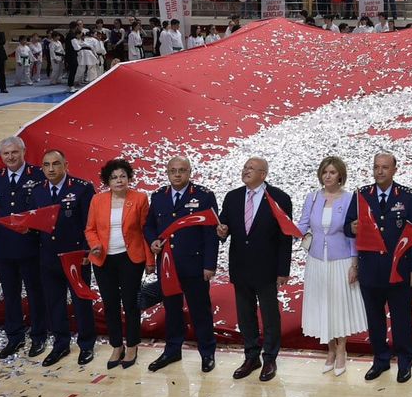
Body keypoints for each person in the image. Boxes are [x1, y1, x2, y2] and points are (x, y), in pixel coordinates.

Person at [344, 150, 412, 383]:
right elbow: (348, 227)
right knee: (374, 319)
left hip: (399, 269)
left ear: (394, 169)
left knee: (401, 319)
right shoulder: (362, 194)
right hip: (370, 269)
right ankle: (381, 360)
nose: (379, 171)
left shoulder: (407, 196)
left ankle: (405, 361)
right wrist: (353, 228)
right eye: (376, 167)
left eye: (384, 167)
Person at [217, 157, 293, 382]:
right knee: (245, 314)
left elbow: (285, 237)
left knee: (270, 315)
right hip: (241, 265)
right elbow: (224, 225)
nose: (246, 171)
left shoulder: (279, 198)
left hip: (267, 267)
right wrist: (221, 231)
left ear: (264, 174)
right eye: (245, 167)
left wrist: (283, 270)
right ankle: (251, 356)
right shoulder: (233, 197)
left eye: (251, 168)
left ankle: (270, 358)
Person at [145, 156, 221, 373]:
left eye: (182, 170)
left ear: (190, 172)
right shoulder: (159, 197)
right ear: (167, 172)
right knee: (171, 310)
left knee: (200, 311)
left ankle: (207, 353)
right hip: (168, 265)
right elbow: (149, 226)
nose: (177, 175)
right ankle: (172, 350)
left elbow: (210, 233)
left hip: (195, 265)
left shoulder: (204, 196)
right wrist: (153, 241)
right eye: (173, 171)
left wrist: (209, 265)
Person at [299, 156, 364, 377]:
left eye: (332, 172)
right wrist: (284, 231)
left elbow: (353, 233)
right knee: (323, 304)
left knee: (339, 305)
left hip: (341, 259)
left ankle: (342, 350)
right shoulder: (313, 198)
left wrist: (355, 263)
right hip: (317, 260)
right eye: (325, 172)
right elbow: (302, 224)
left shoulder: (349, 199)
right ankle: (330, 350)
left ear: (340, 176)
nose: (328, 176)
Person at [31, 150, 96, 367]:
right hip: (48, 257)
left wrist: (88, 252)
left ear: (65, 165)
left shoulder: (82, 188)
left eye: (56, 164)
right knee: (54, 303)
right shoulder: (37, 191)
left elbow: (90, 223)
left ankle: (86, 344)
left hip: (76, 257)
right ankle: (61, 344)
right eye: (46, 165)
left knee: (81, 303)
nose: (51, 169)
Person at [0, 135, 48, 359]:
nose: (10, 157)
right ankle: (15, 337)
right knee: (10, 295)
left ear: (23, 152)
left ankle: (39, 336)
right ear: (1, 156)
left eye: (14, 152)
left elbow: (44, 210)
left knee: (35, 293)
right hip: (4, 247)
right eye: (6, 154)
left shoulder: (39, 175)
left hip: (31, 245)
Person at [85, 158, 151, 370]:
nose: (119, 180)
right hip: (104, 259)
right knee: (110, 304)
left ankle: (132, 345)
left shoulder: (140, 198)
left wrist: (151, 260)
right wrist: (94, 245)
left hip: (130, 258)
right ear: (108, 181)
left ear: (129, 178)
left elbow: (145, 232)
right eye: (114, 177)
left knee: (130, 303)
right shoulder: (97, 200)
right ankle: (116, 345)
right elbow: (90, 229)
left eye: (123, 176)